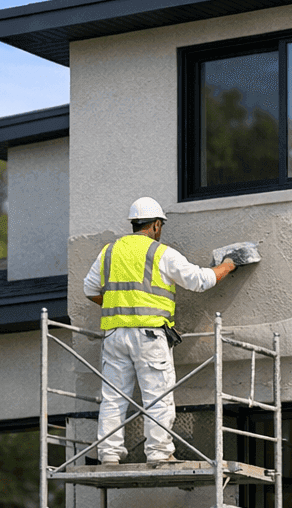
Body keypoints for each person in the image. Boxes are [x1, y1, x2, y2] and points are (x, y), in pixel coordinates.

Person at [82, 197, 239, 466]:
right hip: (149, 335)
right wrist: (228, 265)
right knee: (158, 395)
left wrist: (121, 309)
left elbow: (89, 289)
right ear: (156, 225)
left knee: (113, 397)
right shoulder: (160, 253)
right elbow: (200, 281)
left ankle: (108, 454)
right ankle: (158, 453)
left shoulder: (109, 252)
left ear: (134, 224)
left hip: (114, 335)